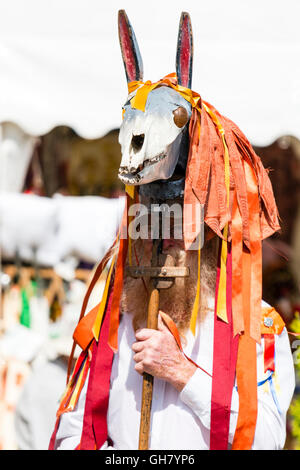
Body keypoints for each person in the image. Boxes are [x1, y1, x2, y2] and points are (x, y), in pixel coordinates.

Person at [49, 11, 295, 450]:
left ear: (215, 227)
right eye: (151, 212)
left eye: (182, 213)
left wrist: (182, 372)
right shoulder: (114, 317)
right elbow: (74, 427)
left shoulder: (257, 328)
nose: (164, 233)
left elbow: (268, 442)